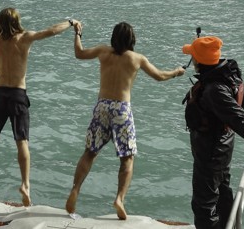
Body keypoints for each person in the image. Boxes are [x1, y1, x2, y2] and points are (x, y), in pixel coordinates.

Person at [65, 21, 185, 220]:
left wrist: (78, 33)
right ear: (132, 40)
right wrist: (176, 72)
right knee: (127, 158)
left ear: (113, 37)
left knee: (90, 152)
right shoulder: (137, 59)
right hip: (121, 109)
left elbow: (79, 53)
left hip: (102, 106)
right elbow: (159, 76)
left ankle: (75, 189)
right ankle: (120, 198)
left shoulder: (103, 51)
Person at [0, 0, 77, 207]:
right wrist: (70, 22)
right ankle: (25, 184)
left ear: (0, 23)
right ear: (17, 22)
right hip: (18, 95)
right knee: (22, 142)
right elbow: (52, 31)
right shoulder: (25, 38)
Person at [180, 36, 244, 228]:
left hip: (211, 152)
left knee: (204, 204)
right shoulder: (225, 75)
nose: (191, 60)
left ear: (199, 61)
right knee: (223, 192)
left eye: (193, 56)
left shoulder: (214, 90)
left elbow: (241, 121)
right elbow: (243, 97)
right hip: (222, 148)